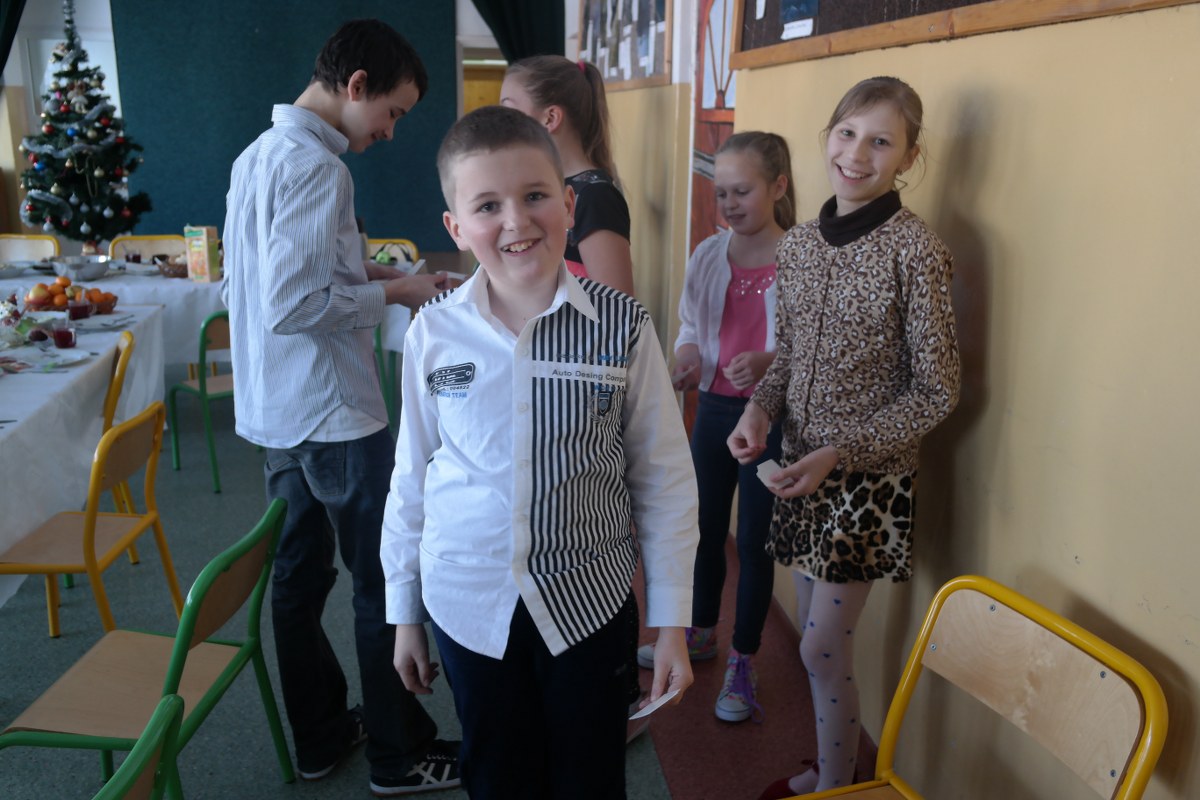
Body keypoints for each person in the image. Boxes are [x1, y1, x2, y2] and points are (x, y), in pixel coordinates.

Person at [382, 105, 699, 799]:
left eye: (534, 196)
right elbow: (411, 476)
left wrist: (672, 622)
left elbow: (664, 479)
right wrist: (403, 610)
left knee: (591, 777)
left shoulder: (622, 326)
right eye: (487, 206)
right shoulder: (433, 332)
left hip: (589, 601)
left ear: (569, 204)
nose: (516, 222)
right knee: (498, 773)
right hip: (467, 603)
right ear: (456, 229)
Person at [221, 19, 460, 797]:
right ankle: (398, 756)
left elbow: (252, 285)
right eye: (392, 112)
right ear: (356, 87)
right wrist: (395, 293)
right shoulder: (320, 169)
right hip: (332, 414)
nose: (389, 132)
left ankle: (320, 736)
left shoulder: (256, 157)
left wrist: (372, 274)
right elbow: (294, 305)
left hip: (274, 410)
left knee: (298, 580)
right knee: (381, 582)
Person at [727, 77, 960, 798]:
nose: (858, 154)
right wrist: (758, 410)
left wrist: (841, 453)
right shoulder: (798, 244)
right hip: (798, 468)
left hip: (865, 482)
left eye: (881, 141)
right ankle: (833, 771)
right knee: (816, 644)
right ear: (828, 136)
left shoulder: (916, 250)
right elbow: (790, 355)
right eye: (848, 133)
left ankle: (835, 785)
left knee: (822, 647)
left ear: (909, 157)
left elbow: (938, 389)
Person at [636, 131, 794, 724]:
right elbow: (690, 326)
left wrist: (769, 362)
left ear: (777, 187)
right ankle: (700, 631)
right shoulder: (708, 253)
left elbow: (812, 346)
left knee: (752, 541)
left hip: (769, 421)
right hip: (713, 411)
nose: (729, 203)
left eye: (742, 191)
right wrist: (687, 358)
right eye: (721, 192)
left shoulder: (800, 257)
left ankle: (744, 660)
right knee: (701, 528)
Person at [500, 55, 634, 296]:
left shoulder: (596, 197)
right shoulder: (544, 187)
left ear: (550, 118)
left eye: (509, 112)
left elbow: (617, 306)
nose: (501, 123)